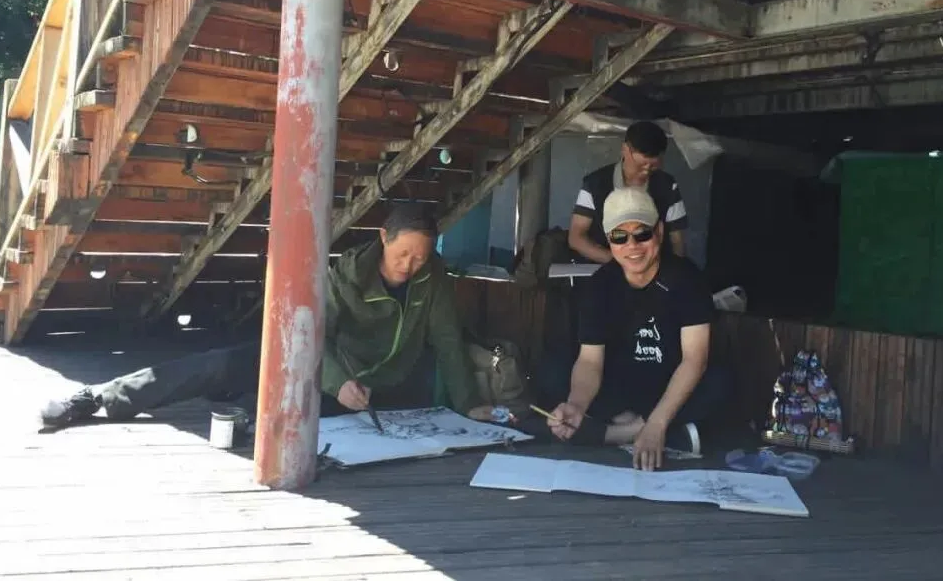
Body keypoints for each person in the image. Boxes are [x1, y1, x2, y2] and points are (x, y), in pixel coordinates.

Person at [39, 203, 491, 430]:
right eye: (403, 253)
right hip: (319, 368)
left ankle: (241, 404)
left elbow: (448, 342)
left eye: (421, 257)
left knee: (275, 421)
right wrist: (338, 381)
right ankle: (98, 398)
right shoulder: (347, 273)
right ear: (383, 237)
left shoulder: (433, 280)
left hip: (368, 396)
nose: (410, 265)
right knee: (219, 364)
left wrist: (471, 405)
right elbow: (313, 338)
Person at [548, 188, 727, 470]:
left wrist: (656, 423)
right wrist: (577, 405)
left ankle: (615, 434)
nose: (632, 246)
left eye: (642, 234)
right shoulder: (599, 286)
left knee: (718, 382)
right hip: (622, 387)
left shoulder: (687, 279)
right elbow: (590, 361)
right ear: (609, 240)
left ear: (659, 231)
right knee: (554, 372)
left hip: (671, 386)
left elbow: (695, 360)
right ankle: (660, 433)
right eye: (620, 237)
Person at [568, 120, 688, 263]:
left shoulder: (667, 185)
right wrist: (620, 262)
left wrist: (670, 270)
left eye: (653, 166)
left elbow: (677, 242)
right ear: (625, 149)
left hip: (654, 268)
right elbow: (576, 238)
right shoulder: (594, 184)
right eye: (641, 165)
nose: (646, 170)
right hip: (604, 266)